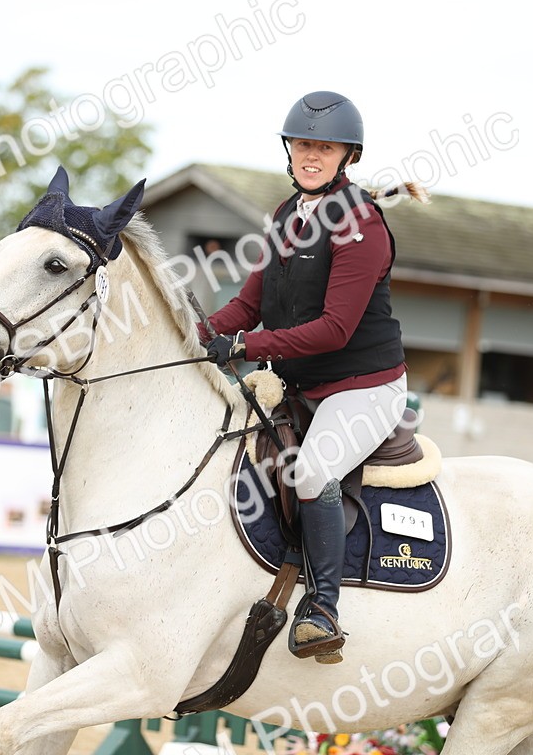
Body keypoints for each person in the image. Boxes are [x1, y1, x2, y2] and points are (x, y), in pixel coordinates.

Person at [203, 91, 408, 661]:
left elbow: (334, 329)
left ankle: (321, 609)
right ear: (289, 151)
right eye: (302, 145)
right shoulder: (285, 216)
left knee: (314, 471)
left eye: (324, 147)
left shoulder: (361, 225)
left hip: (363, 387)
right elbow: (248, 303)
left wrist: (246, 346)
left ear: (348, 156)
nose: (311, 156)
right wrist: (197, 335)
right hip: (298, 386)